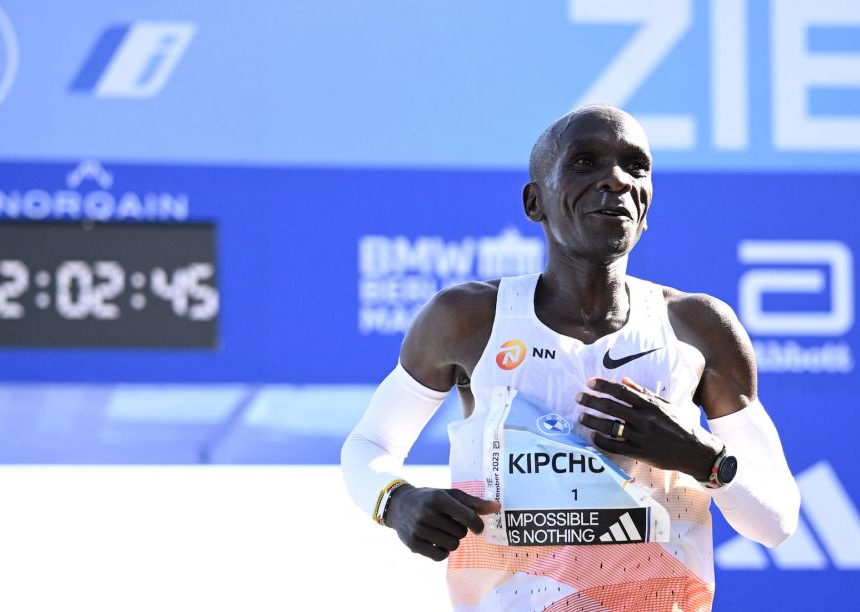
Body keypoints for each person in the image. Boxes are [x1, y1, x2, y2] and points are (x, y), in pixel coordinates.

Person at [342, 104, 800, 611]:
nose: (617, 181)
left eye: (636, 166)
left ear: (648, 207)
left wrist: (702, 458)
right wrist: (398, 500)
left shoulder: (698, 327)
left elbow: (777, 522)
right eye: (585, 162)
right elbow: (368, 444)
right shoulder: (468, 318)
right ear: (533, 201)